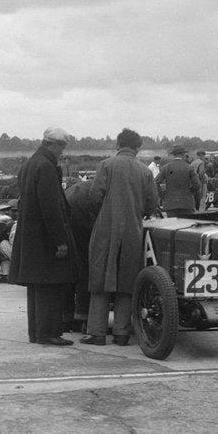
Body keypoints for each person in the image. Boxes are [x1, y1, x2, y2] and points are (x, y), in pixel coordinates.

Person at [82, 128, 158, 347]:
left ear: (117, 145)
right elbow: (152, 203)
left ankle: (97, 333)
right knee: (127, 280)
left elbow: (95, 196)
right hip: (133, 232)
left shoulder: (106, 165)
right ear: (137, 147)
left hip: (106, 230)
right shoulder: (145, 171)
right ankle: (122, 333)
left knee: (100, 279)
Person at [8, 127, 77, 346]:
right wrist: (60, 240)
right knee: (51, 285)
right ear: (51, 144)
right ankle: (49, 333)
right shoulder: (46, 167)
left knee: (36, 287)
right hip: (45, 237)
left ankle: (36, 333)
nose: (62, 151)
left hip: (31, 235)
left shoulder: (29, 164)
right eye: (61, 146)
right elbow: (51, 207)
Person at [65, 178, 99, 333]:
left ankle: (66, 317)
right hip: (82, 210)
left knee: (71, 263)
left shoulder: (83, 186)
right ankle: (83, 317)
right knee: (86, 264)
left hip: (70, 204)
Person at [155, 145, 199, 217]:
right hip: (186, 203)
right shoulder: (189, 168)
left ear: (174, 155)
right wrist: (189, 192)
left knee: (172, 223)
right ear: (183, 154)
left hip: (170, 203)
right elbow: (197, 185)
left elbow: (155, 182)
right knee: (186, 223)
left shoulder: (166, 168)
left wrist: (162, 195)